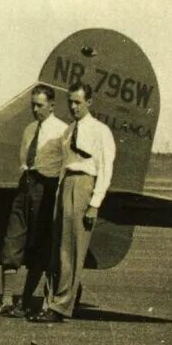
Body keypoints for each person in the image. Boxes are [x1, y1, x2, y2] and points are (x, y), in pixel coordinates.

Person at [32, 82, 115, 323]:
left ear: (89, 103)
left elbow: (105, 169)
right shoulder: (68, 132)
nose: (73, 107)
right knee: (57, 248)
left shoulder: (101, 131)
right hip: (66, 185)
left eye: (78, 102)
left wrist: (94, 203)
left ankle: (60, 306)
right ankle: (50, 302)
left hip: (84, 185)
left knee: (72, 250)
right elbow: (63, 165)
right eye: (70, 102)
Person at [0, 85, 65, 318]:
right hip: (25, 185)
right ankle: (7, 301)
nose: (35, 109)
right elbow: (24, 158)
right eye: (33, 105)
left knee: (39, 246)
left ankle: (26, 301)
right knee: (12, 240)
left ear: (52, 105)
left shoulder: (62, 131)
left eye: (40, 105)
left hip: (47, 189)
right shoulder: (29, 130)